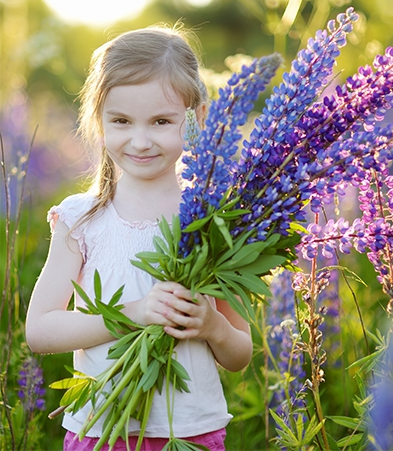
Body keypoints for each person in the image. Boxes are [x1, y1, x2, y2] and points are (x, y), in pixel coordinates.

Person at [25, 25, 253, 451]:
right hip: (100, 427)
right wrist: (133, 313)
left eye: (162, 121)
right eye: (122, 121)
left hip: (188, 433)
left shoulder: (215, 221)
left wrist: (212, 326)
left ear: (197, 117)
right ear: (99, 121)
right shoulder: (82, 218)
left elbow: (240, 353)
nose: (141, 140)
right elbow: (39, 331)